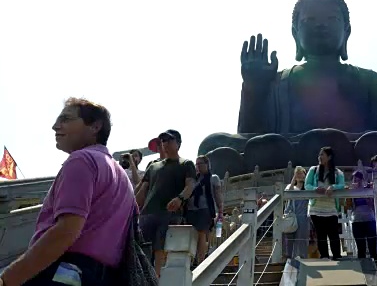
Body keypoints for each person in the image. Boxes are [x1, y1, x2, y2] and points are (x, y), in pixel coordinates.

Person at [0, 98, 135, 286]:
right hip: (103, 277)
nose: (55, 126)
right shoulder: (121, 176)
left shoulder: (82, 160)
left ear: (95, 127)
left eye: (66, 119)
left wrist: (7, 279)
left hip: (66, 272)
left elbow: (66, 230)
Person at [135, 129, 196, 277]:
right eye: (163, 141)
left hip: (169, 213)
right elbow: (143, 189)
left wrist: (180, 198)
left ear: (178, 143)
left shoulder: (186, 164)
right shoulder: (153, 166)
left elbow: (190, 185)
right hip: (147, 213)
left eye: (169, 140)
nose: (165, 144)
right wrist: (131, 207)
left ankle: (157, 280)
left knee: (160, 250)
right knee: (142, 250)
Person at [305, 147, 345, 260]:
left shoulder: (338, 172)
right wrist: (315, 189)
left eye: (322, 155)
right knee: (320, 233)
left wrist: (333, 187)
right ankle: (324, 256)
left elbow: (342, 185)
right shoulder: (313, 170)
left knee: (333, 233)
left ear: (329, 157)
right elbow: (307, 185)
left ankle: (337, 255)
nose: (320, 157)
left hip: (331, 207)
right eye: (319, 155)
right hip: (316, 208)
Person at [185, 155, 224, 266]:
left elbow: (218, 195)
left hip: (205, 209)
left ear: (207, 164)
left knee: (202, 233)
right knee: (192, 235)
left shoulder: (213, 178)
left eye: (200, 164)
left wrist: (220, 210)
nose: (198, 166)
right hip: (191, 209)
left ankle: (200, 260)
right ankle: (193, 259)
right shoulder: (193, 179)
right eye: (196, 164)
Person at [349, 170, 377, 260]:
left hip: (369, 219)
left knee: (372, 246)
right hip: (356, 220)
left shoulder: (368, 190)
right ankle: (362, 266)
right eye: (354, 180)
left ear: (362, 180)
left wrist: (365, 193)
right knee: (360, 247)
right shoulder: (350, 192)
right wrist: (351, 193)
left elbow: (373, 205)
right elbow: (348, 207)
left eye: (358, 180)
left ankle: (376, 263)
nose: (356, 182)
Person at [284, 166, 310, 259]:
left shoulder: (307, 188)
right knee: (290, 238)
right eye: (297, 173)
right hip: (292, 216)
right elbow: (287, 193)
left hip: (303, 216)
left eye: (301, 173)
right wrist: (293, 179)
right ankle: (290, 257)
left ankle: (303, 257)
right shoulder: (292, 187)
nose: (299, 175)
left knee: (302, 238)